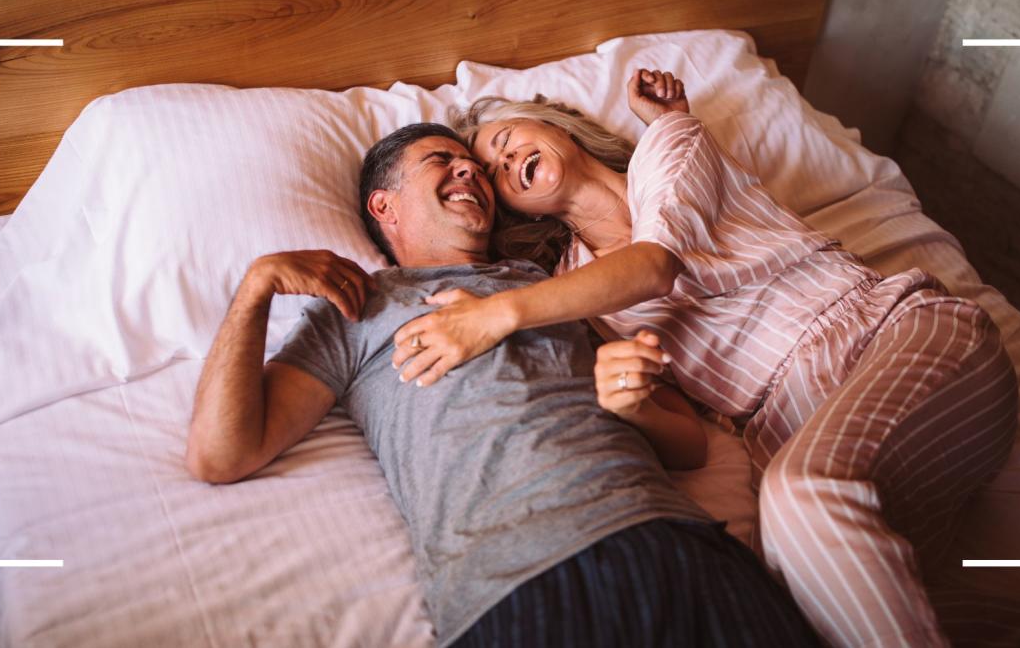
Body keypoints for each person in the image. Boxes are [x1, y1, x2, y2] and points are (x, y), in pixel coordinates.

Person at [386, 71, 1020, 646]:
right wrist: (632, 404)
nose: (501, 161)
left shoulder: (668, 150)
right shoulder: (577, 293)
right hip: (808, 434)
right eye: (493, 173)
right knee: (805, 614)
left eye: (505, 138)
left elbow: (655, 266)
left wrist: (498, 313)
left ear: (554, 125)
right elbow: (685, 439)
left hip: (897, 340)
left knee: (802, 498)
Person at [185, 122, 818, 647]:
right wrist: (257, 287)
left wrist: (635, 406)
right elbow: (221, 454)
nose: (471, 174)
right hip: (515, 584)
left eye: (477, 169)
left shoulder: (553, 285)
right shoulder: (359, 306)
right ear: (385, 206)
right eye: (443, 162)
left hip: (677, 543)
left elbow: (691, 447)